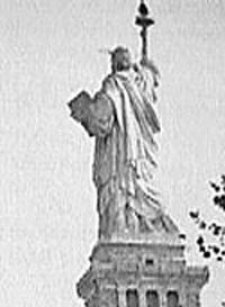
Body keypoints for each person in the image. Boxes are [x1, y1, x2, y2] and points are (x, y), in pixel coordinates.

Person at [70, 44, 178, 242]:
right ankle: (144, 223)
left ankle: (128, 226)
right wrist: (146, 69)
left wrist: (85, 111)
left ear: (114, 65)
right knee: (136, 187)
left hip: (121, 154)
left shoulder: (114, 84)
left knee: (122, 190)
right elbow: (150, 75)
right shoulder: (140, 82)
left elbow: (102, 120)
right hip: (138, 151)